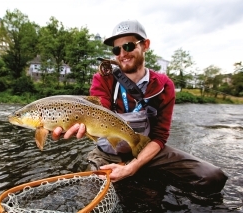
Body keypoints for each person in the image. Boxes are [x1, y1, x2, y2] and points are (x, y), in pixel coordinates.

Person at [52, 19, 228, 195]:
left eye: (128, 46)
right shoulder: (104, 78)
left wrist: (132, 167)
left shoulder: (163, 85)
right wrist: (70, 121)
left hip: (147, 149)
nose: (122, 54)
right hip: (108, 152)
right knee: (90, 193)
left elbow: (160, 136)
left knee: (212, 177)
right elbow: (96, 110)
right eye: (116, 49)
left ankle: (141, 171)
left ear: (146, 45)